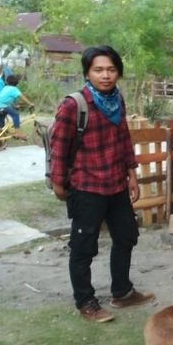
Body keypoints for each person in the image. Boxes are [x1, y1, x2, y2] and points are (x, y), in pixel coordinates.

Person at [50, 45, 154, 323]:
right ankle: (86, 302)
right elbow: (59, 148)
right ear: (87, 73)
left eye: (111, 69)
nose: (105, 75)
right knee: (83, 246)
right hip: (86, 188)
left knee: (126, 236)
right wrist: (58, 183)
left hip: (116, 185)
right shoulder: (74, 105)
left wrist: (132, 173)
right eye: (98, 70)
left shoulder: (117, 100)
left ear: (118, 72)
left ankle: (122, 291)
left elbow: (123, 140)